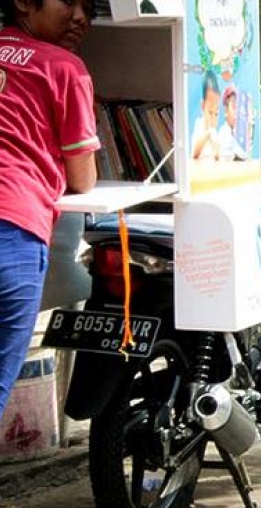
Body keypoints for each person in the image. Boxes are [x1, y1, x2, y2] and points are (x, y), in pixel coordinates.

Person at [0, 0, 99, 417]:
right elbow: (84, 180)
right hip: (13, 229)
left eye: (89, 7)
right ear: (23, 1)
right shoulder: (65, 68)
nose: (80, 16)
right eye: (69, 1)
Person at [191, 69, 221, 160]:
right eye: (210, 112)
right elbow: (195, 153)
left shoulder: (215, 131)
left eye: (216, 114)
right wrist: (208, 134)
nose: (213, 118)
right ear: (203, 106)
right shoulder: (199, 124)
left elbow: (218, 154)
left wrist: (217, 152)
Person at [218, 84, 248, 161]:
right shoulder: (223, 134)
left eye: (239, 108)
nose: (237, 113)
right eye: (234, 107)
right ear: (225, 109)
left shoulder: (242, 135)